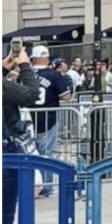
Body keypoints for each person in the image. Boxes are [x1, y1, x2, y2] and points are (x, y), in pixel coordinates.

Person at [3, 46, 40, 224]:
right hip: (5, 156)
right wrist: (25, 66)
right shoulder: (5, 88)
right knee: (4, 217)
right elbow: (31, 95)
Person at [30, 44, 72, 196]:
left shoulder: (25, 74)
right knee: (46, 154)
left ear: (33, 59)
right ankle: (46, 187)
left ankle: (32, 185)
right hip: (48, 119)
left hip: (27, 120)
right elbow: (67, 96)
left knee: (29, 155)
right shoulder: (54, 75)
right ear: (47, 58)